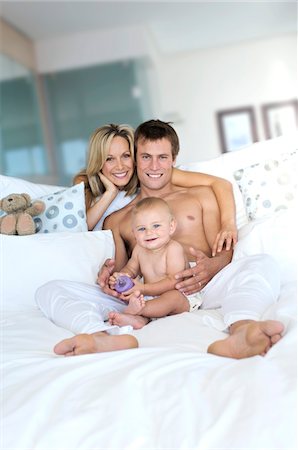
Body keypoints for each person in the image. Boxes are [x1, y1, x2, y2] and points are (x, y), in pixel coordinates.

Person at [36, 120, 284, 359]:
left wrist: (213, 267)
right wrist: (111, 279)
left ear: (173, 159)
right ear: (135, 158)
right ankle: (101, 335)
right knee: (49, 290)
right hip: (148, 296)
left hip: (202, 287)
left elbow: (223, 250)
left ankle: (242, 331)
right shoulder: (118, 219)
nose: (154, 166)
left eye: (162, 157)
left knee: (261, 263)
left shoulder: (200, 196)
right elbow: (125, 272)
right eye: (146, 157)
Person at [73, 123, 238, 255]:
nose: (120, 166)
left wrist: (228, 223)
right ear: (98, 161)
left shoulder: (150, 174)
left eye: (126, 156)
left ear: (135, 157)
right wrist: (109, 194)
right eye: (109, 159)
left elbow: (219, 184)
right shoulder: (85, 184)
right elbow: (79, 229)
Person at [108, 197, 203, 330]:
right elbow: (131, 269)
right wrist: (121, 278)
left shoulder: (173, 249)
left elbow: (173, 281)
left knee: (172, 298)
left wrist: (144, 288)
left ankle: (139, 310)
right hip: (149, 296)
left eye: (156, 225)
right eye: (141, 229)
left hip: (179, 296)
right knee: (134, 296)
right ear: (134, 233)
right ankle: (138, 319)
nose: (149, 232)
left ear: (171, 226)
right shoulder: (139, 249)